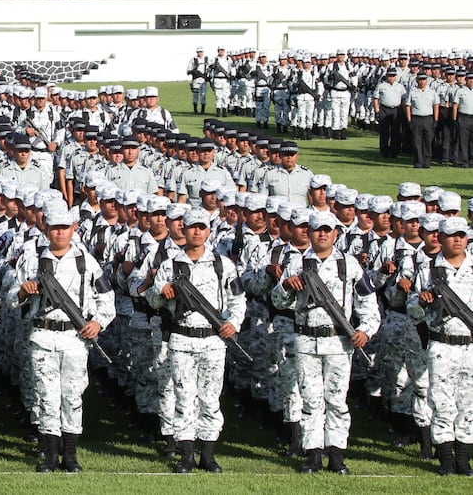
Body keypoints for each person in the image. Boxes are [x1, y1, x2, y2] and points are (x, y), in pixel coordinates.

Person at [272, 211, 380, 474]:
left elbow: (368, 303)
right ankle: (313, 454)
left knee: (337, 400)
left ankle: (336, 454)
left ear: (335, 234)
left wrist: (365, 331)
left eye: (327, 230)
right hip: (306, 340)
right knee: (310, 400)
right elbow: (278, 302)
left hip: (338, 342)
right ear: (309, 232)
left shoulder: (349, 265)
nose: (322, 234)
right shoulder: (296, 263)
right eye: (317, 229)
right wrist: (286, 286)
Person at [9, 202, 114, 473]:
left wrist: (98, 323)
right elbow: (9, 298)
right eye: (55, 228)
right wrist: (23, 292)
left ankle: (70, 454)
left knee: (73, 396)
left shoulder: (85, 261)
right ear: (46, 229)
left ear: (73, 229)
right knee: (46, 396)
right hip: (43, 336)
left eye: (64, 228)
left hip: (74, 338)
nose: (59, 233)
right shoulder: (32, 260)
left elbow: (107, 298)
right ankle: (49, 454)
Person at [147, 207, 246, 473]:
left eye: (202, 227)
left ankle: (208, 454)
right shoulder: (170, 265)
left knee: (210, 398)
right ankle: (186, 454)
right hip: (181, 339)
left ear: (209, 231)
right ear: (184, 229)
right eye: (193, 227)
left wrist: (233, 323)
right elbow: (153, 301)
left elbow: (238, 299)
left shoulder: (222, 265)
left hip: (213, 340)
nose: (197, 232)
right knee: (184, 396)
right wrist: (162, 290)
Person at [408, 216, 473, 476]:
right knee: (442, 402)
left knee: (469, 403)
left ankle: (464, 458)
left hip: (470, 345)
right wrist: (421, 301)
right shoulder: (428, 270)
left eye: (461, 235)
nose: (457, 240)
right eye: (451, 235)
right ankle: (446, 458)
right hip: (442, 344)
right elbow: (411, 309)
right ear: (442, 238)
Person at [406, 71, 439, 168]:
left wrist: (435, 120)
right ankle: (418, 162)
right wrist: (409, 120)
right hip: (416, 118)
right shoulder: (412, 91)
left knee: (428, 141)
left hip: (428, 118)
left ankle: (426, 162)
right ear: (416, 80)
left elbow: (436, 106)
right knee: (417, 142)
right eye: (420, 79)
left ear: (426, 80)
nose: (422, 81)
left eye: (424, 79)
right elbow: (408, 106)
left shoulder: (432, 92)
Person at [373, 67, 407, 159]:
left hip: (396, 110)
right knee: (384, 132)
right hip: (384, 109)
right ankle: (384, 152)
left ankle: (394, 152)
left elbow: (403, 100)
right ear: (386, 76)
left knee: (396, 132)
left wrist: (404, 111)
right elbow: (375, 98)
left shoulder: (400, 86)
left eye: (393, 76)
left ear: (396, 77)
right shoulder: (381, 86)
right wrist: (377, 111)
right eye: (390, 76)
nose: (391, 78)